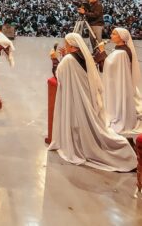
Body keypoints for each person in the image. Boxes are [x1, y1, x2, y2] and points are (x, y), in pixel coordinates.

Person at [48, 33, 137, 172]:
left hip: (77, 100)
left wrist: (54, 59)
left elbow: (59, 75)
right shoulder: (84, 55)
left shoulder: (68, 60)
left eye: (66, 43)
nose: (64, 45)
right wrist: (65, 56)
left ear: (71, 45)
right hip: (87, 97)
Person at [98, 27, 142, 133]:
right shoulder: (119, 50)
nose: (111, 36)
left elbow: (108, 66)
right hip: (118, 84)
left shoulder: (121, 53)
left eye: (114, 34)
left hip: (119, 86)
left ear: (121, 37)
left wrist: (102, 51)